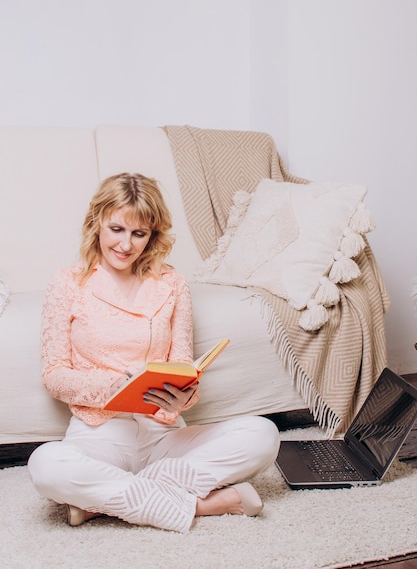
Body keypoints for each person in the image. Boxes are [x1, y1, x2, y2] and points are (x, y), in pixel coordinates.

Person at [28, 172, 280, 533]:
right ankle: (199, 503)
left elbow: (180, 363)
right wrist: (115, 385)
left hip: (163, 433)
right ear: (97, 222)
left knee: (263, 436)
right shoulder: (67, 282)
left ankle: (105, 502)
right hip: (99, 434)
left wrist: (184, 398)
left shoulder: (172, 284)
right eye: (116, 229)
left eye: (139, 234)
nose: (126, 245)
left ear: (152, 236)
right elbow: (54, 374)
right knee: (46, 465)